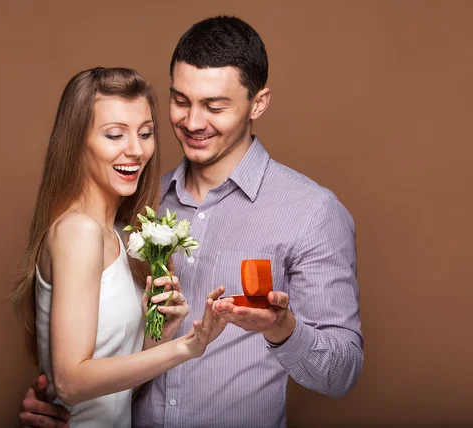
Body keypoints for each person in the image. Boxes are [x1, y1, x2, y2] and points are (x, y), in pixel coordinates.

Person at [20, 16, 363, 428]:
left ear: (259, 102)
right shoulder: (135, 202)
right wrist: (55, 401)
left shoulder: (312, 212)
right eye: (181, 101)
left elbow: (341, 374)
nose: (193, 122)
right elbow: (94, 348)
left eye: (215, 106)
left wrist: (284, 330)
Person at [11, 67, 227, 428]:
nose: (136, 150)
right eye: (115, 135)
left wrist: (160, 335)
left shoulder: (121, 235)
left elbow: (112, 386)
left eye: (145, 133)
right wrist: (186, 347)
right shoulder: (78, 232)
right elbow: (70, 382)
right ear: (77, 141)